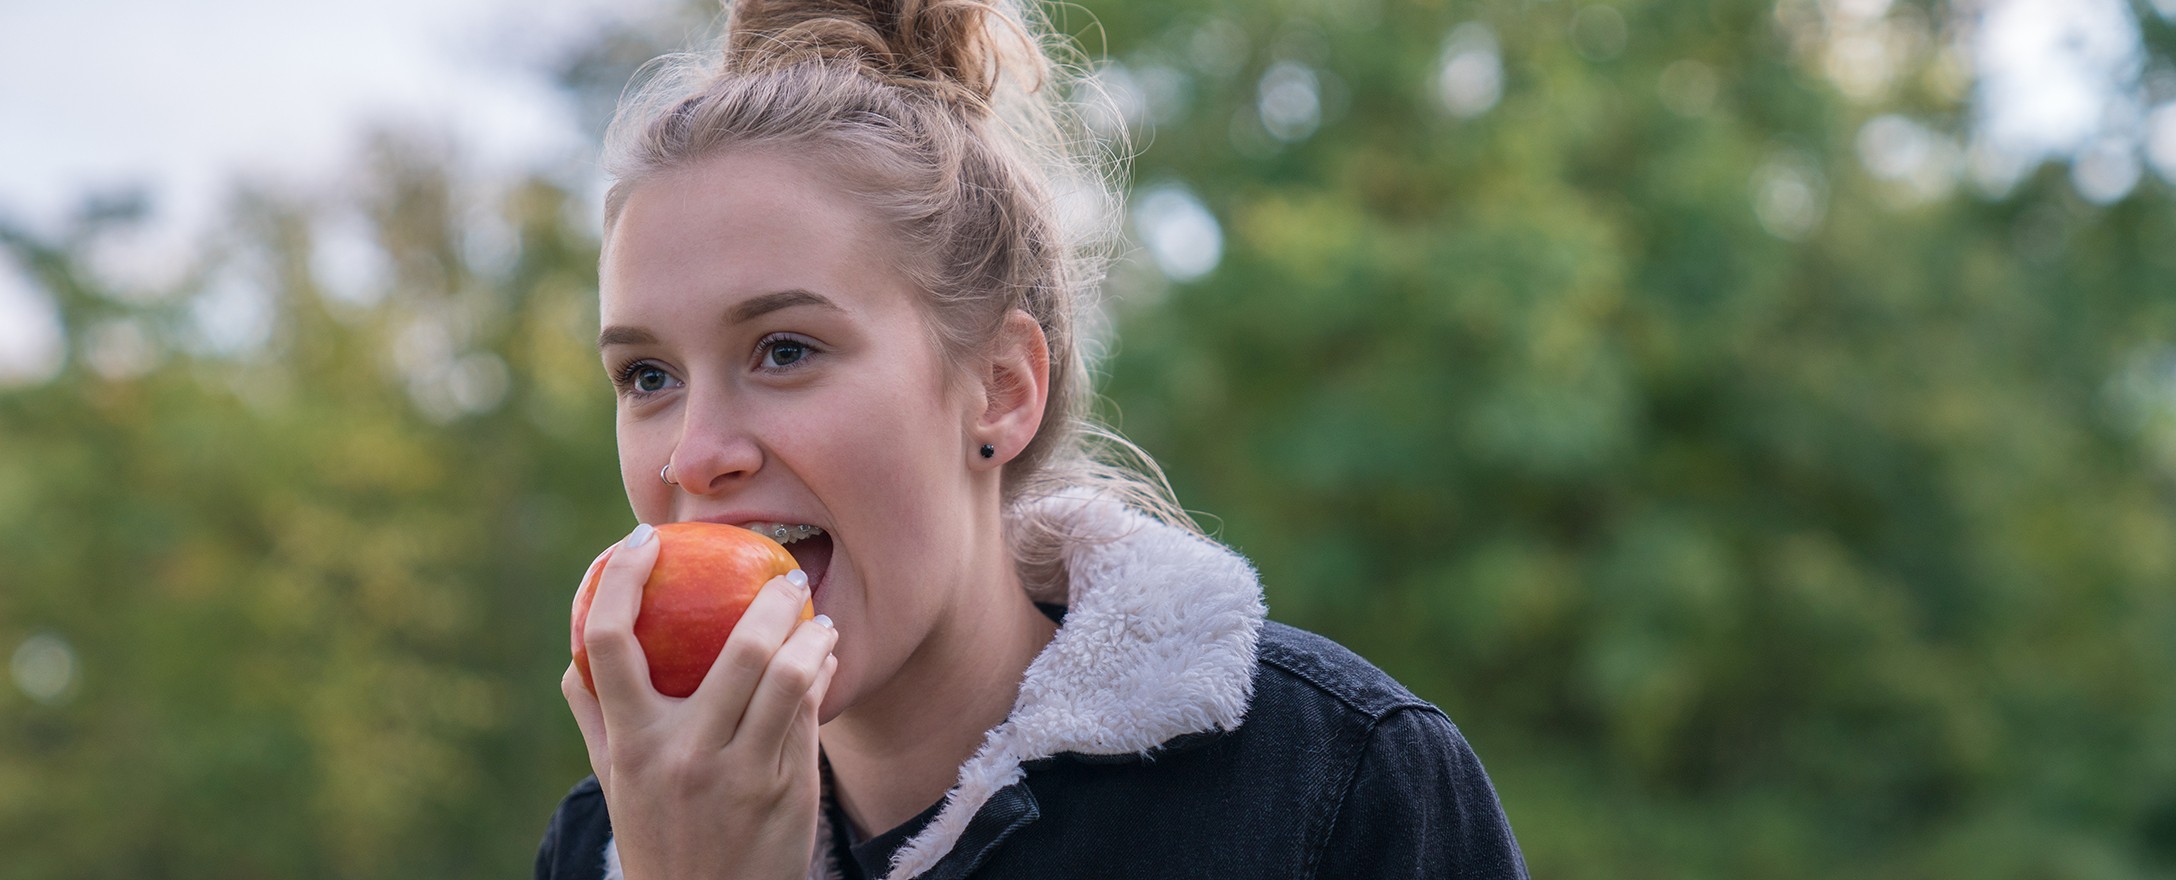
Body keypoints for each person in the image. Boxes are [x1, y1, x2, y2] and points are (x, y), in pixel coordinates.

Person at [534, 1, 1529, 877]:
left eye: (785, 350)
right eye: (648, 376)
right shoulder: (609, 842)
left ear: (1001, 389)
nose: (695, 453)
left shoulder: (1338, 787)